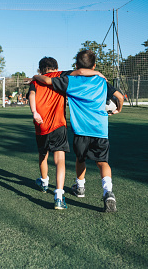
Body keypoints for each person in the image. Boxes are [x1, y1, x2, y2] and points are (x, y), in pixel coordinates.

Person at [33, 50, 124, 213]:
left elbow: (47, 80)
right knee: (103, 162)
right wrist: (118, 109)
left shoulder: (70, 81)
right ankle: (108, 192)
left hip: (81, 130)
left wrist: (35, 77)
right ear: (94, 65)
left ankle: (80, 186)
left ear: (76, 65)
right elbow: (120, 97)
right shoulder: (102, 81)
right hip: (100, 129)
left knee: (80, 158)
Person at [28, 56, 103, 210]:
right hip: (58, 124)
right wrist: (99, 74)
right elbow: (81, 71)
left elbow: (31, 95)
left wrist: (35, 112)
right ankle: (59, 196)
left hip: (40, 124)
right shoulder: (61, 75)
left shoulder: (35, 81)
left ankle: (43, 182)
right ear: (56, 68)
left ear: (41, 69)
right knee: (60, 159)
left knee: (43, 155)